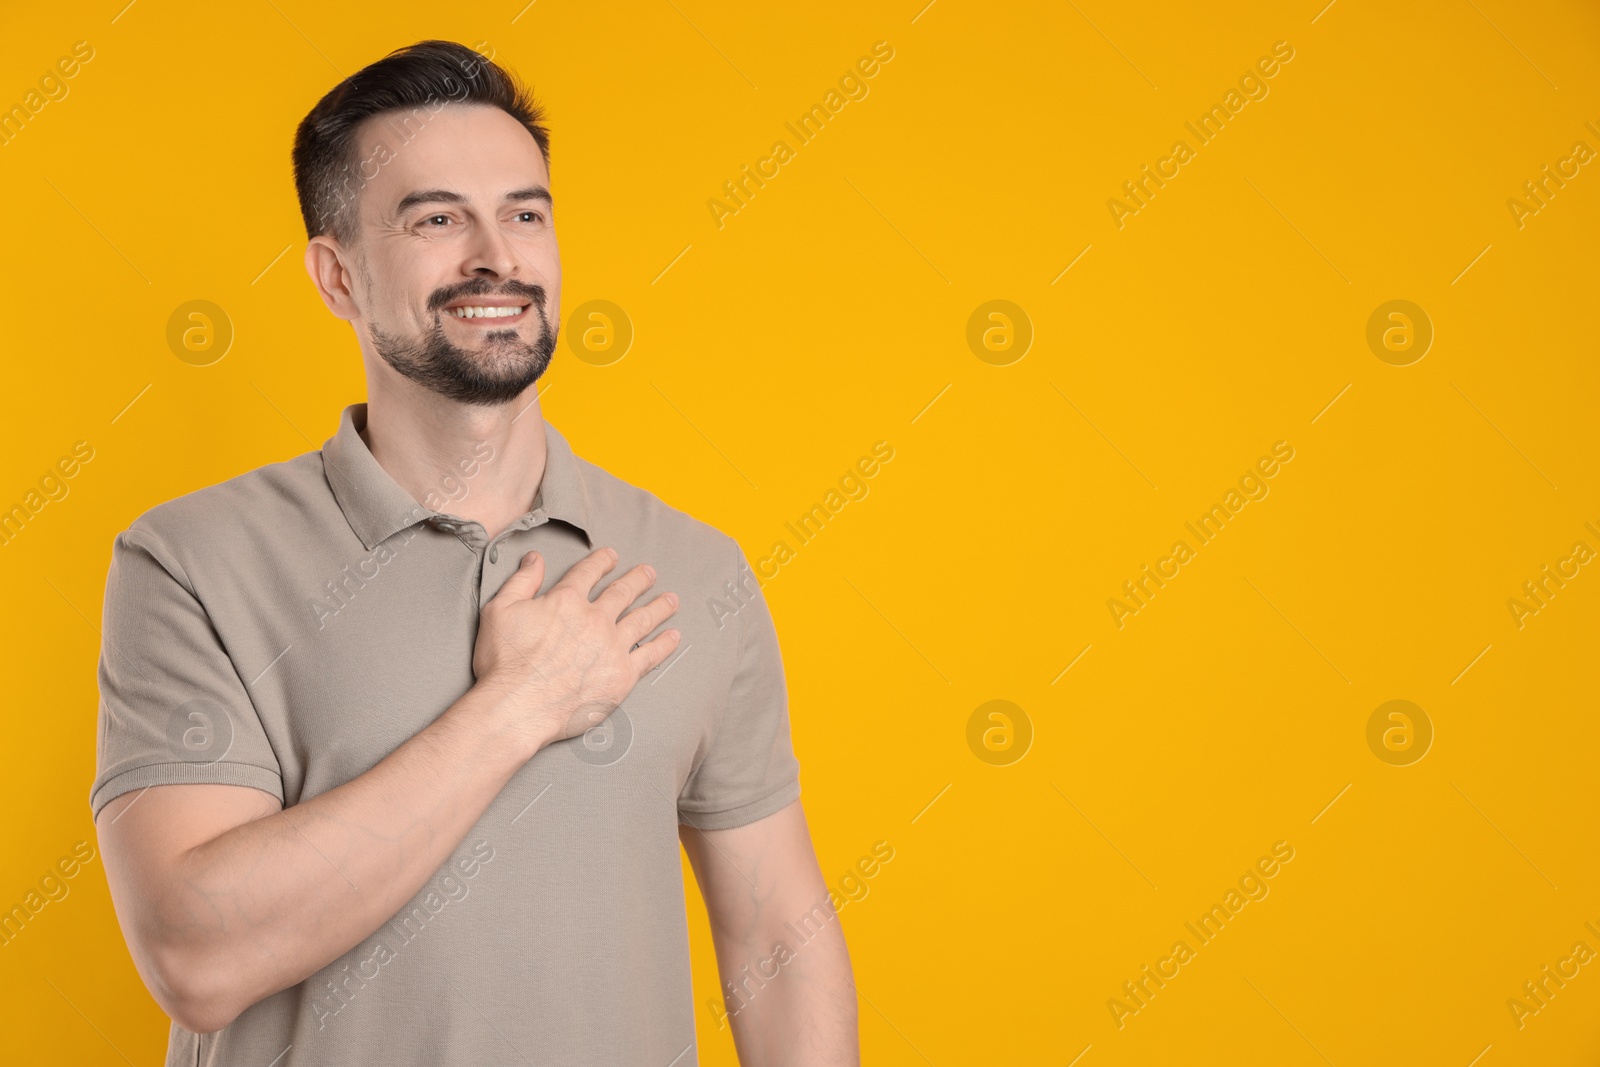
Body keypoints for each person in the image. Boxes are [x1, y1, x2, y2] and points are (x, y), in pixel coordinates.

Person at [90, 39, 858, 1067]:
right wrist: (517, 705)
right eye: (437, 217)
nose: (496, 255)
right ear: (338, 275)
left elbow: (775, 932)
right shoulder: (192, 559)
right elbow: (198, 954)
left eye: (525, 212)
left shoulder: (695, 570)